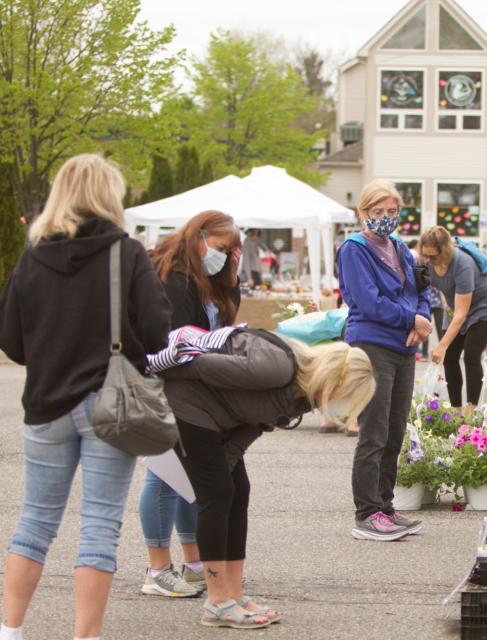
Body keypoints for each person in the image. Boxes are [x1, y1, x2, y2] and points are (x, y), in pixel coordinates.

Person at [0, 154, 172, 640]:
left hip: (45, 402)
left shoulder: (32, 256)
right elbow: (159, 331)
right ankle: (85, 636)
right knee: (99, 524)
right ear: (108, 196)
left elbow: (10, 339)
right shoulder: (126, 252)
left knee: (34, 521)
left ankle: (10, 631)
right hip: (111, 404)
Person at [162, 331, 375, 628]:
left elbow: (247, 431)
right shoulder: (278, 367)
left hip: (215, 420)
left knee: (237, 490)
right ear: (335, 381)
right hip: (186, 405)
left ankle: (233, 595)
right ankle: (217, 601)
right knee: (218, 493)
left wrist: (224, 467)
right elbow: (198, 366)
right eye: (348, 395)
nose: (343, 404)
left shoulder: (299, 401)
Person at [138, 211, 243, 599]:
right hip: (167, 383)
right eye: (219, 248)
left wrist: (231, 277)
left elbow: (225, 322)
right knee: (163, 476)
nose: (223, 256)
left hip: (197, 388)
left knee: (191, 480)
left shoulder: (207, 278)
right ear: (198, 237)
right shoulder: (172, 276)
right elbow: (176, 338)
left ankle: (194, 562)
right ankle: (157, 568)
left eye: (231, 251)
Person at [337, 180, 433, 542]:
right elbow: (367, 300)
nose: (386, 218)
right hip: (372, 343)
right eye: (378, 212)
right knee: (373, 431)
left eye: (392, 212)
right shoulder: (354, 249)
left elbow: (419, 290)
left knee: (395, 430)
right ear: (363, 213)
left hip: (404, 347)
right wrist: (410, 319)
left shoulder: (399, 248)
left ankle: (386, 505)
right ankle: (367, 512)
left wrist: (419, 324)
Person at [420, 226, 487, 414]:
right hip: (456, 307)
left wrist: (441, 345)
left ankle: (470, 411)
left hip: (483, 306)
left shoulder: (463, 264)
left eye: (433, 257)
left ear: (445, 251)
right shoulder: (430, 265)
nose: (428, 261)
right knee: (450, 358)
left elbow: (461, 314)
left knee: (471, 355)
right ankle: (457, 411)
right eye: (426, 256)